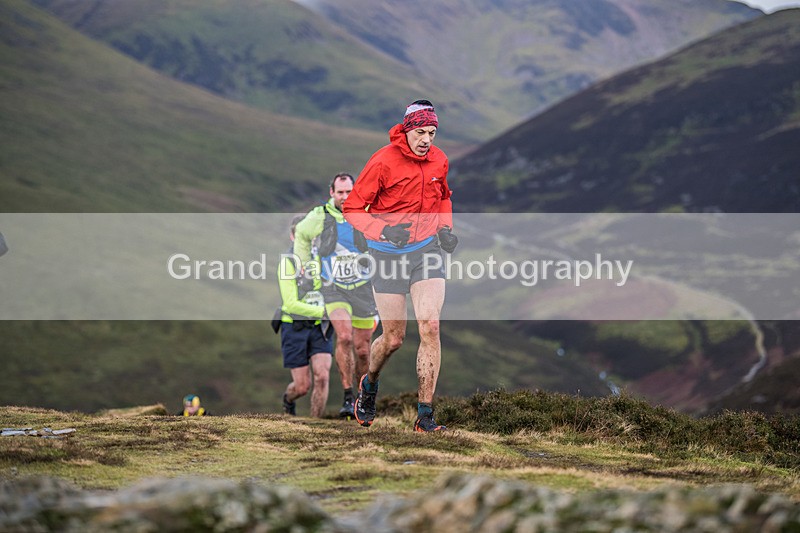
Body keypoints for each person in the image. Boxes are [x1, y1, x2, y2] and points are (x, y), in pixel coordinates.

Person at [343, 100, 459, 432]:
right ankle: (370, 383)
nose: (426, 140)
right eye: (421, 132)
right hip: (387, 254)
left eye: (432, 133)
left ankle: (425, 415)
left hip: (426, 250)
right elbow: (353, 207)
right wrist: (382, 231)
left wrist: (446, 229)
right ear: (407, 129)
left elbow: (444, 196)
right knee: (394, 338)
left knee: (431, 325)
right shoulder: (383, 162)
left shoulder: (439, 159)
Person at [293, 173, 378, 419]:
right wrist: (305, 267)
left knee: (363, 349)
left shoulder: (366, 212)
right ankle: (347, 395)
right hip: (333, 288)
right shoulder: (320, 216)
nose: (344, 197)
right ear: (331, 192)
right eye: (340, 192)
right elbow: (301, 234)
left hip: (364, 288)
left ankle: (364, 398)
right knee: (343, 336)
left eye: (348, 192)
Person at [277, 215, 333, 418]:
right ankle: (288, 399)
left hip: (321, 327)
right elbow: (290, 303)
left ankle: (315, 423)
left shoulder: (325, 260)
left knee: (323, 376)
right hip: (294, 327)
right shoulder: (287, 264)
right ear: (293, 236)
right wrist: (325, 311)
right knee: (302, 386)